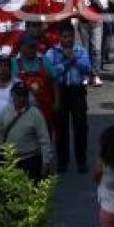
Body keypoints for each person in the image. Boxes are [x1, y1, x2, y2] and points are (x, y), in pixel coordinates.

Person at [45, 24, 91, 173]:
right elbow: (52, 73)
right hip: (60, 92)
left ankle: (81, 160)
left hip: (77, 91)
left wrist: (75, 59)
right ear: (59, 37)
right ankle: (62, 161)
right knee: (61, 128)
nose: (67, 40)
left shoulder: (80, 50)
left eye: (70, 36)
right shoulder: (52, 52)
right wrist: (67, 62)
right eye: (64, 36)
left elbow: (87, 69)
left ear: (73, 36)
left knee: (80, 127)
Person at [0, 81, 52, 181]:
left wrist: (46, 162)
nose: (21, 98)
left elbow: (44, 139)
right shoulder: (5, 112)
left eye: (24, 95)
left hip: (30, 160)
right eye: (18, 95)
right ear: (13, 95)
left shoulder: (35, 114)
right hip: (10, 161)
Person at [11, 34, 59, 136]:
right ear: (21, 47)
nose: (32, 50)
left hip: (44, 109)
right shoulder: (14, 63)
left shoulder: (43, 60)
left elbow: (55, 79)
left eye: (34, 47)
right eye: (30, 47)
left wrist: (57, 101)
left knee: (46, 138)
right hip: (23, 110)